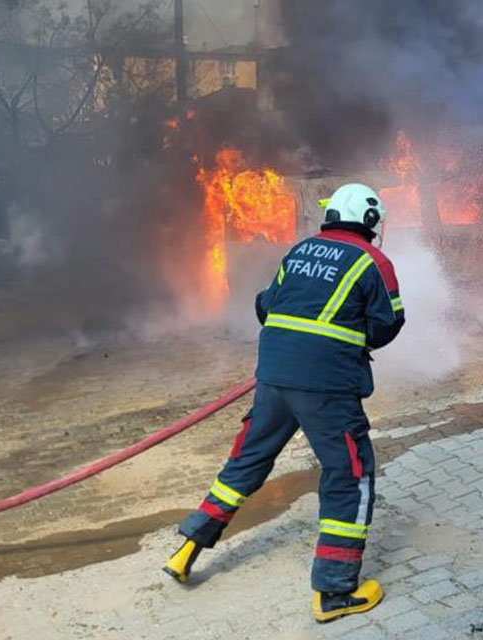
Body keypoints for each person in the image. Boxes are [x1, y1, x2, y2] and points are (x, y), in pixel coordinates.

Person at [163, 183, 405, 623]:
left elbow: (264, 305)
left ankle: (187, 548)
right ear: (370, 220)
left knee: (246, 462)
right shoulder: (375, 262)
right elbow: (389, 325)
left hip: (273, 378)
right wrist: (346, 341)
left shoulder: (299, 252)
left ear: (332, 215)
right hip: (327, 387)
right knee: (350, 473)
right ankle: (333, 594)